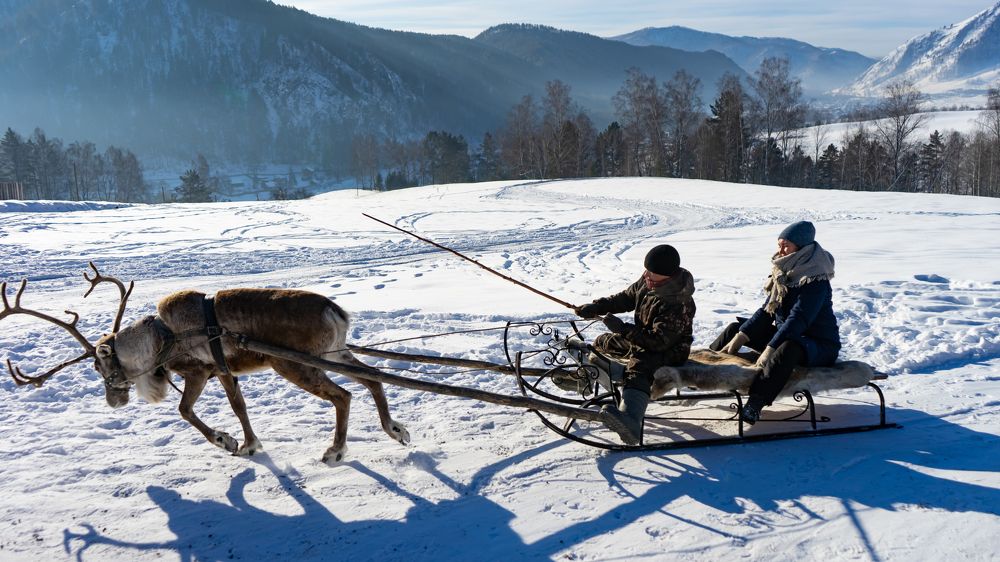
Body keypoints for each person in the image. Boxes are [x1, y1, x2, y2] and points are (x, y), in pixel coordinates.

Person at [709, 220, 841, 425]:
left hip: (818, 345)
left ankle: (756, 403)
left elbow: (799, 319)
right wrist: (741, 337)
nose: (780, 249)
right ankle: (701, 371)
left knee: (787, 348)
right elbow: (767, 311)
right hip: (788, 335)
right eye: (779, 244)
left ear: (802, 248)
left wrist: (770, 348)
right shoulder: (783, 272)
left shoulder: (815, 279)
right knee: (736, 329)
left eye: (786, 245)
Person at [574, 244, 696, 445]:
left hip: (670, 349)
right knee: (602, 342)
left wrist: (623, 329)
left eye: (652, 273)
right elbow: (626, 298)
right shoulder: (649, 281)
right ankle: (585, 380)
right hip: (642, 339)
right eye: (646, 270)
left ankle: (631, 419)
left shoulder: (678, 302)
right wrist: (598, 306)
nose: (647, 276)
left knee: (640, 364)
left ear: (667, 276)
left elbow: (659, 342)